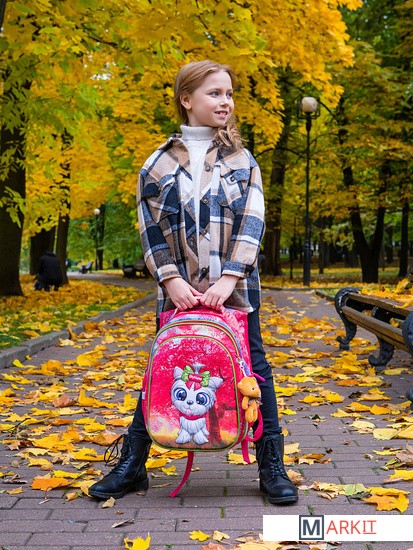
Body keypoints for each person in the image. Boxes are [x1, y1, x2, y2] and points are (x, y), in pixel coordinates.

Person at [89, 60, 298, 505]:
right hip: (178, 294)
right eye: (214, 93)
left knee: (254, 368)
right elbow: (150, 230)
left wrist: (229, 278)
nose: (226, 102)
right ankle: (132, 463)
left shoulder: (242, 161)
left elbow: (253, 221)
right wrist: (170, 280)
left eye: (229, 94)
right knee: (163, 365)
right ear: (186, 99)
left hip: (235, 294)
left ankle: (271, 463)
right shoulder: (157, 164)